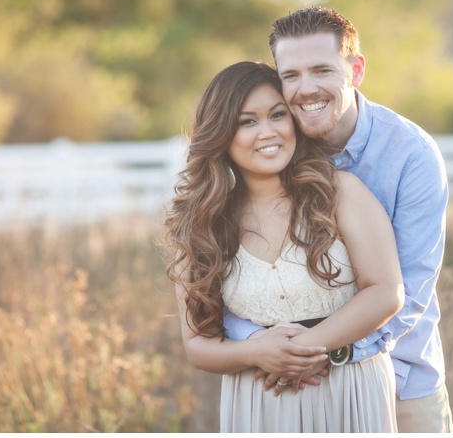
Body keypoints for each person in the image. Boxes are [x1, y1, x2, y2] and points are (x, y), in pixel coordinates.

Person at [223, 6, 453, 433]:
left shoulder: (410, 156)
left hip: (401, 378)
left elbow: (410, 293)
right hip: (284, 390)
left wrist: (317, 353)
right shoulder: (276, 146)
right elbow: (246, 279)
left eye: (321, 70)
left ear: (356, 70)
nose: (306, 89)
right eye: (291, 75)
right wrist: (257, 345)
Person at [164, 61, 405, 432]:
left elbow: (386, 292)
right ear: (222, 134)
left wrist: (305, 350)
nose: (268, 132)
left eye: (278, 115)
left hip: (351, 390)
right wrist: (255, 352)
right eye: (248, 121)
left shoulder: (339, 192)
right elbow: (198, 345)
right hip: (261, 401)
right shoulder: (202, 225)